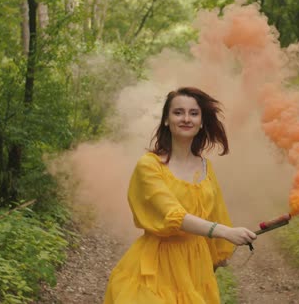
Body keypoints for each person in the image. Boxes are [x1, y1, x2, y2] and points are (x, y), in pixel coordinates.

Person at [104, 87, 257, 304]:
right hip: (157, 261)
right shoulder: (149, 165)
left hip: (196, 264)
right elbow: (173, 215)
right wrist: (225, 232)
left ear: (202, 121)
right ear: (166, 120)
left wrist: (219, 252)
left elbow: (216, 212)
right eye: (178, 112)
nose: (186, 119)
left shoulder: (206, 167)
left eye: (194, 113)